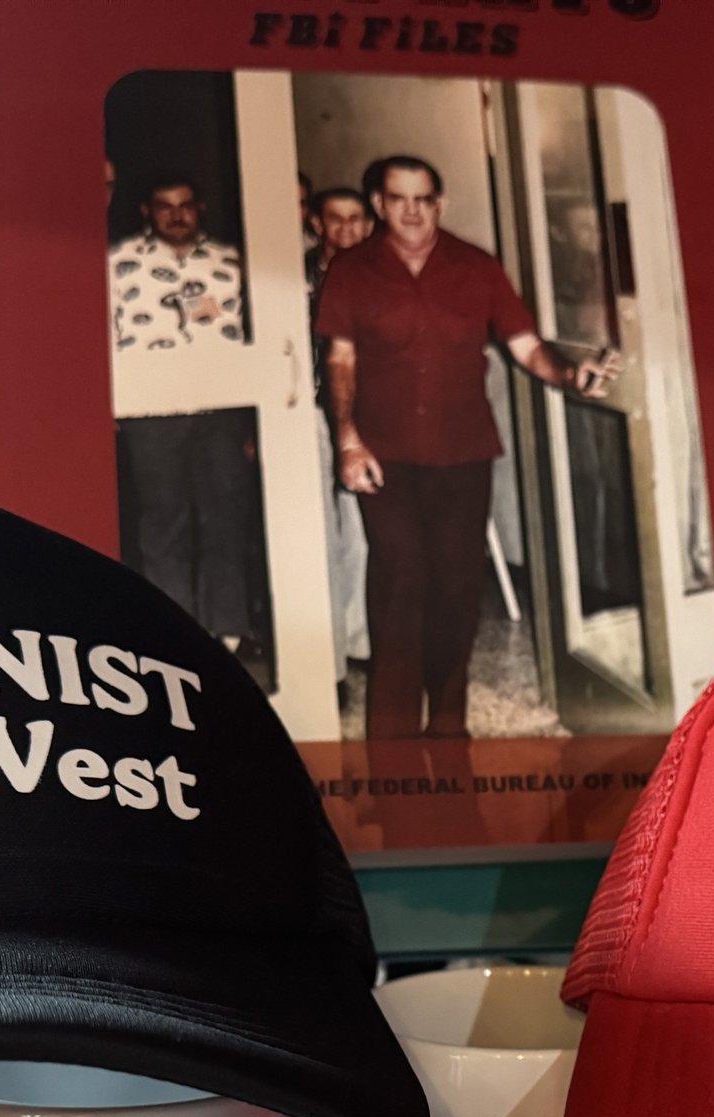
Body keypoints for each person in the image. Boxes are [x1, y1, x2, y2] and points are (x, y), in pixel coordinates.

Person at [315, 155, 619, 739]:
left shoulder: (476, 266)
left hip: (463, 449)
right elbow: (341, 359)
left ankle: (449, 723)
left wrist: (569, 375)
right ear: (379, 204)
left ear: (439, 203)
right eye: (397, 198)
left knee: (457, 587)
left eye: (422, 198)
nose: (410, 211)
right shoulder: (352, 270)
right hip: (385, 452)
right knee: (401, 581)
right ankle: (392, 741)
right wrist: (348, 442)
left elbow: (526, 345)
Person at [109, 175, 256, 651]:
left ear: (201, 208)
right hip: (151, 414)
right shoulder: (119, 264)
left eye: (186, 205)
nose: (177, 215)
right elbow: (103, 340)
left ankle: (227, 632)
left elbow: (251, 340)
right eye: (164, 206)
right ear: (147, 212)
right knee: (162, 523)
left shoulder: (232, 264)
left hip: (219, 412)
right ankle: (173, 636)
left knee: (224, 517)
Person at [308, 185, 376, 679]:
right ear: (318, 224)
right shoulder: (299, 276)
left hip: (367, 416)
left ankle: (360, 640)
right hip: (310, 412)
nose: (347, 230)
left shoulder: (382, 275)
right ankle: (326, 659)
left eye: (356, 220)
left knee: (362, 532)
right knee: (321, 536)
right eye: (336, 220)